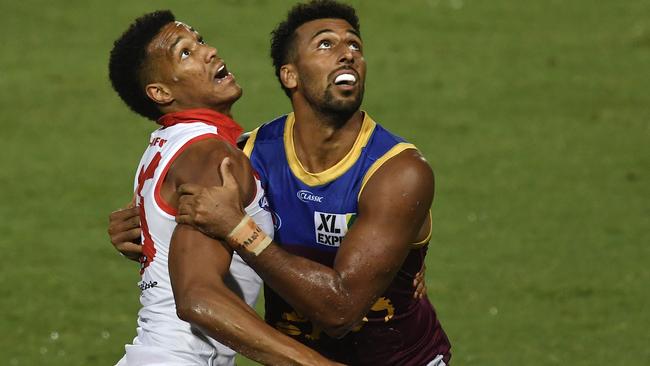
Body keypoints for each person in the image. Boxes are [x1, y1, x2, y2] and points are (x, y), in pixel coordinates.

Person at [174, 1, 452, 365]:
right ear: (290, 75)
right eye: (326, 44)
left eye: (355, 45)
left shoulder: (397, 172)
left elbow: (342, 311)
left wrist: (239, 229)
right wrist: (141, 224)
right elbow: (192, 227)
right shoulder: (250, 155)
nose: (347, 54)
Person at [107, 10, 339, 366]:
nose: (209, 50)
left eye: (199, 40)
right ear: (160, 91)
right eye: (185, 53)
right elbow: (197, 298)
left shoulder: (167, 144)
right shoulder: (210, 155)